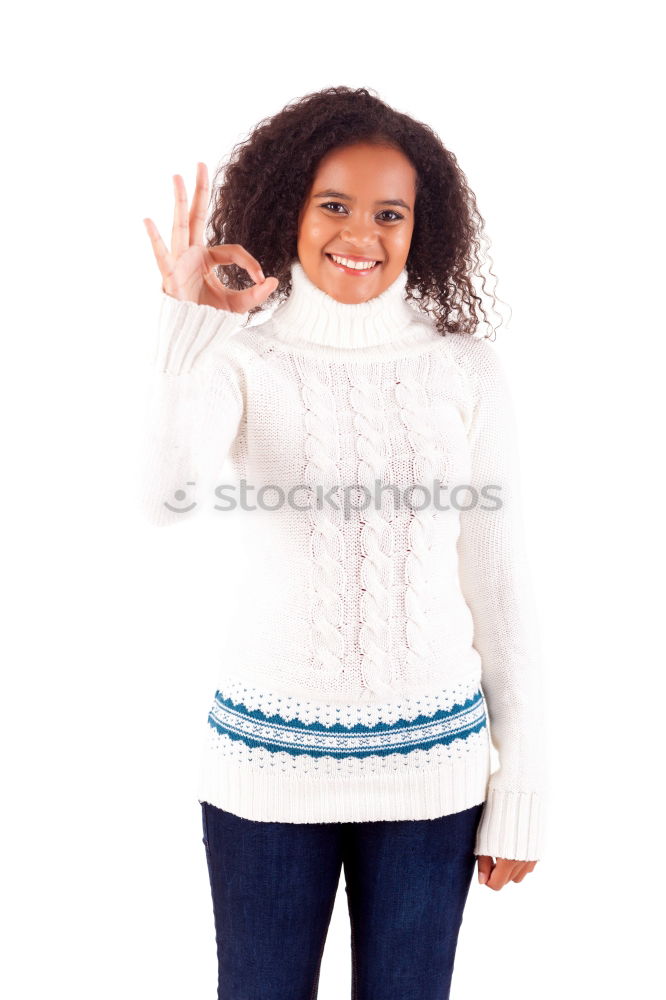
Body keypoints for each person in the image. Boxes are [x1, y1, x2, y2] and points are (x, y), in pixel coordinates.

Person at [141, 85, 548, 1000]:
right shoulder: (240, 358)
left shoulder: (464, 368)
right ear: (287, 205)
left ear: (421, 227)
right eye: (334, 204)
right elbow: (158, 501)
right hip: (264, 772)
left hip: (433, 780)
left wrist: (522, 783)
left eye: (388, 212)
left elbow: (504, 583)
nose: (359, 233)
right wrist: (191, 326)